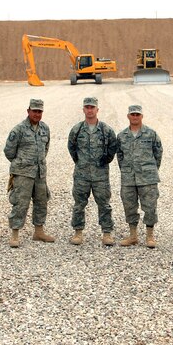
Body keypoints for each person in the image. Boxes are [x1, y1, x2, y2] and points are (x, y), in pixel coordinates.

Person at [67, 96, 118, 246]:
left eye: (92, 107)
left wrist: (105, 161)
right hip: (81, 175)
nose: (90, 110)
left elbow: (112, 148)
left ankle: (107, 233)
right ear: (83, 109)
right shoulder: (76, 130)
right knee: (79, 204)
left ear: (97, 110)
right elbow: (72, 148)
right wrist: (81, 163)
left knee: (104, 204)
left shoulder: (106, 130)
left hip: (100, 175)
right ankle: (78, 232)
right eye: (87, 107)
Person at [4, 98, 54, 248]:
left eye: (39, 111)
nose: (37, 114)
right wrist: (21, 163)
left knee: (41, 202)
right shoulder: (18, 129)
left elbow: (46, 148)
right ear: (28, 111)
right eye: (34, 111)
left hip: (40, 173)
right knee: (20, 203)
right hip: (23, 173)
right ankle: (15, 235)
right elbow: (9, 151)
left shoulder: (45, 128)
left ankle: (39, 232)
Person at [117, 104, 163, 248]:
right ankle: (133, 236)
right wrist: (126, 170)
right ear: (128, 116)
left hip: (147, 178)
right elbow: (120, 156)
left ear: (142, 116)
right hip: (128, 178)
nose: (135, 117)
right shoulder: (122, 136)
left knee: (150, 207)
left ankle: (150, 236)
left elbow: (158, 153)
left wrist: (151, 169)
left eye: (138, 114)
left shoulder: (151, 134)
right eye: (133, 114)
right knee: (129, 206)